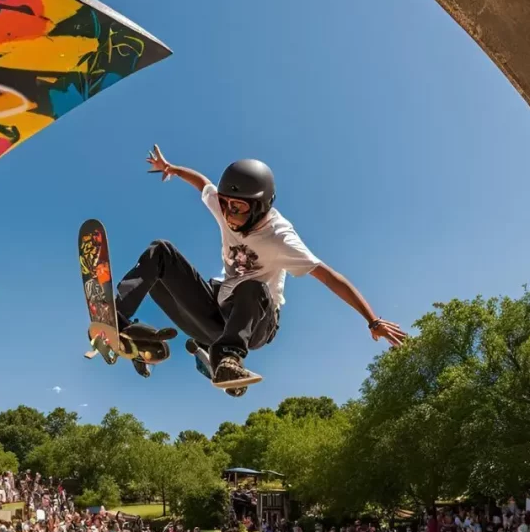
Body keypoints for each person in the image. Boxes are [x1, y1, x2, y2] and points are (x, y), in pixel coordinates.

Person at [113, 146, 405, 390]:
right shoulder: (226, 205)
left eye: (237, 208)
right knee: (161, 252)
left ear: (259, 206)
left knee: (251, 287)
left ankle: (228, 359)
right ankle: (118, 316)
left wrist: (372, 320)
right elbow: (204, 184)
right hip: (218, 313)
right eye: (225, 204)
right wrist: (173, 169)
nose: (228, 214)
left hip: (257, 324)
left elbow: (329, 277)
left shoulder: (280, 237)